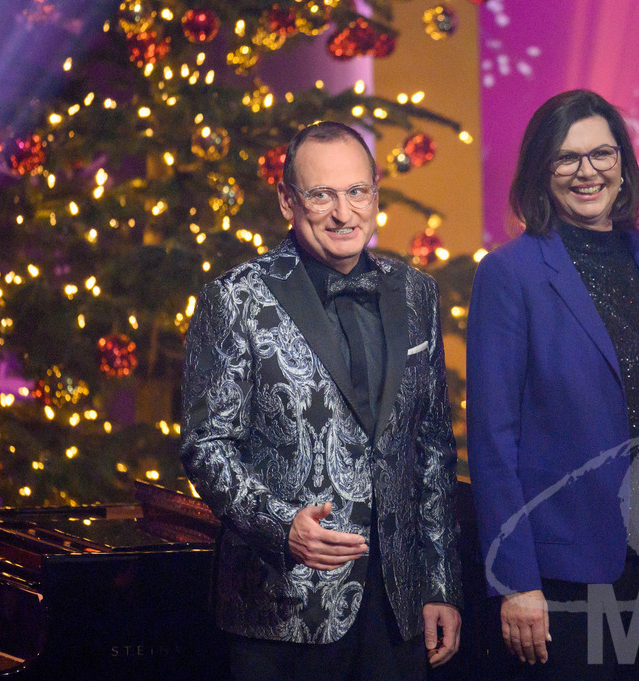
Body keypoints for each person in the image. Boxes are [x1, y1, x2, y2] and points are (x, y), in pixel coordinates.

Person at [180, 121, 462, 681]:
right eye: (321, 194)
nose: (343, 212)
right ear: (288, 200)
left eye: (357, 191)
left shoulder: (416, 292)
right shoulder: (234, 298)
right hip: (283, 608)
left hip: (397, 608)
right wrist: (282, 525)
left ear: (375, 195)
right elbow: (206, 446)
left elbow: (431, 448)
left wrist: (440, 584)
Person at [466, 89, 639, 681]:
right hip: (564, 575)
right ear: (541, 169)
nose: (587, 172)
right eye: (566, 158)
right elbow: (493, 442)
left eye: (602, 154)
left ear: (623, 163)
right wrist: (515, 582)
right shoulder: (511, 273)